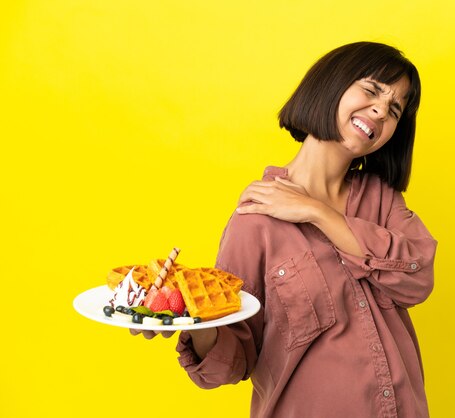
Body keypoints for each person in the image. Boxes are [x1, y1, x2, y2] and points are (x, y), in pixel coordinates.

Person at [132, 41, 438, 418]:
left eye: (394, 109)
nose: (380, 110)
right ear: (331, 85)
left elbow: (417, 276)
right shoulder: (256, 218)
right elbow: (237, 355)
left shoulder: (382, 200)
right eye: (372, 90)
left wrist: (317, 212)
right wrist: (193, 321)